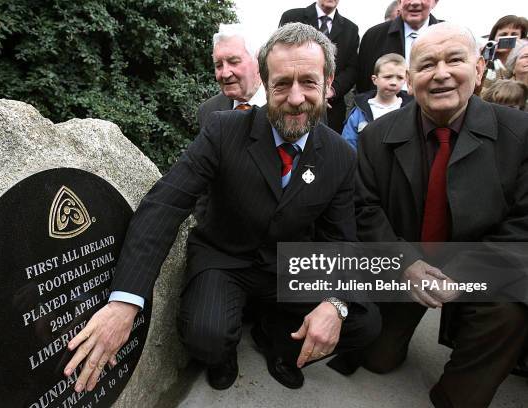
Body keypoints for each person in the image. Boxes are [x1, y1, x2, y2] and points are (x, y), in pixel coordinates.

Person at [63, 22, 380, 393]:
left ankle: (276, 339)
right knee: (206, 337)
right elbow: (166, 202)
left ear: (328, 84)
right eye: (282, 84)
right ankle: (225, 348)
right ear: (265, 82)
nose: (295, 98)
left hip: (289, 266)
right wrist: (124, 303)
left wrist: (334, 302)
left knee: (364, 322)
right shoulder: (222, 130)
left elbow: (340, 237)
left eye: (308, 82)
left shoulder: (341, 156)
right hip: (225, 258)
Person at [354, 22, 528, 407]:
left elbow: (523, 227)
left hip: (484, 268)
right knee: (376, 357)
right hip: (406, 266)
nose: (442, 74)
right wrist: (407, 263)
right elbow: (365, 210)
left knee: (512, 307)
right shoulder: (375, 137)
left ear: (479, 69)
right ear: (411, 78)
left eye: (454, 60)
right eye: (428, 64)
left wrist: (462, 276)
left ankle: (456, 392)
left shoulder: (520, 134)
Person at [279, 0, 359, 133]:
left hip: (331, 109)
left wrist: (330, 91)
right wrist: (309, 90)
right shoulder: (292, 17)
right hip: (294, 102)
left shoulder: (351, 29)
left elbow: (352, 69)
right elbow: (281, 56)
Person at [357, 0, 440, 93]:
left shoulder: (448, 37)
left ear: (435, 2)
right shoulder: (374, 36)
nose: (415, 2)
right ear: (400, 2)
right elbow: (363, 86)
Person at [197, 24, 266, 129]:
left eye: (234, 62)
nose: (225, 73)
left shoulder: (282, 104)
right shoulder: (208, 110)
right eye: (218, 65)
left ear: (258, 61)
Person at [341, 53, 411, 149]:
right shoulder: (360, 112)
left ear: (406, 80)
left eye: (400, 78)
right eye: (388, 77)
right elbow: (348, 145)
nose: (394, 82)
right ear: (375, 79)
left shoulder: (410, 110)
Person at [480, 16, 528, 95]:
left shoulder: (523, 62)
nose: (508, 37)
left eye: (514, 34)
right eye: (503, 34)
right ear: (494, 37)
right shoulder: (484, 58)